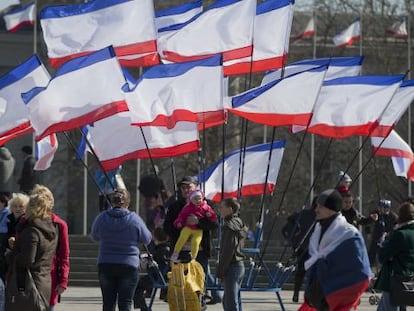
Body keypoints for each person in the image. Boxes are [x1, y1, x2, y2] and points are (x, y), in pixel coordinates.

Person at [300, 189, 371, 311]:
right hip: (318, 296)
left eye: (320, 206)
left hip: (335, 296)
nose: (316, 209)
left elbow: (360, 272)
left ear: (331, 208)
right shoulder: (318, 229)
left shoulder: (349, 234)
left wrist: (336, 291)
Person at [163, 175, 222, 305]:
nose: (185, 190)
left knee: (199, 283)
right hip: (180, 252)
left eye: (188, 186)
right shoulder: (175, 206)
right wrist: (182, 228)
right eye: (183, 187)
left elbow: (215, 224)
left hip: (200, 252)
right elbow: (167, 227)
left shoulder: (207, 204)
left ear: (196, 187)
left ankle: (200, 305)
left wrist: (199, 222)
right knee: (181, 285)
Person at [91, 188, 152, 311]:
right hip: (128, 264)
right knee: (125, 302)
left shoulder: (102, 217)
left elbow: (94, 236)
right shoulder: (134, 219)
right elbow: (147, 238)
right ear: (128, 202)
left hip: (106, 263)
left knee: (108, 303)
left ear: (112, 202)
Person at [6, 185, 58, 310]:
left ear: (33, 208)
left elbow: (27, 259)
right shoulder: (51, 228)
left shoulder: (32, 231)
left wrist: (11, 255)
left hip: (29, 284)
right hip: (43, 281)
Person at [31, 184, 70, 311]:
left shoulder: (59, 225)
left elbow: (64, 255)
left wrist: (63, 280)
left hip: (50, 278)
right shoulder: (25, 222)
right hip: (27, 277)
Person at [374, 201, 414, 311]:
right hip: (409, 280)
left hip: (394, 280)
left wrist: (383, 243)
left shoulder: (400, 234)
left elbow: (383, 256)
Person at [281, 197, 316, 303]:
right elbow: (286, 229)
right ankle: (298, 293)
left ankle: (302, 294)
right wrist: (293, 240)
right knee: (303, 271)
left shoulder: (304, 214)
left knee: (305, 272)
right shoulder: (305, 215)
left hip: (310, 248)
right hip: (304, 247)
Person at [216, 198, 247, 311]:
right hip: (238, 266)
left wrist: (220, 271)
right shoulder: (238, 221)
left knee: (230, 303)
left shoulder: (230, 225)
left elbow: (228, 251)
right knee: (229, 301)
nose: (219, 210)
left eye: (222, 207)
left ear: (229, 209)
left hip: (232, 265)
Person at [171, 189, 218, 263]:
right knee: (182, 237)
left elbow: (214, 219)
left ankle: (193, 257)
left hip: (198, 230)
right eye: (195, 199)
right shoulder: (187, 207)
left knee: (196, 242)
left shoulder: (206, 207)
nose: (198, 200)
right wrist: (179, 222)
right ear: (191, 199)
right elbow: (181, 216)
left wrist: (210, 215)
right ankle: (175, 253)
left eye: (199, 199)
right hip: (188, 227)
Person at [133, 227, 170, 310]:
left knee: (136, 286)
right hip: (165, 277)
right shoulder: (168, 249)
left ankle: (143, 308)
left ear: (154, 237)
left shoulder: (159, 251)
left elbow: (155, 266)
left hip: (156, 277)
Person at [365, 199, 398, 270]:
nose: (381, 209)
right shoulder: (376, 214)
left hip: (387, 238)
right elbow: (367, 223)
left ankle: (385, 268)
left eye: (384, 207)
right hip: (376, 236)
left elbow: (396, 227)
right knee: (372, 254)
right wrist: (368, 233)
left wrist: (388, 233)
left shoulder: (393, 216)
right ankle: (370, 269)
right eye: (380, 207)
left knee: (386, 254)